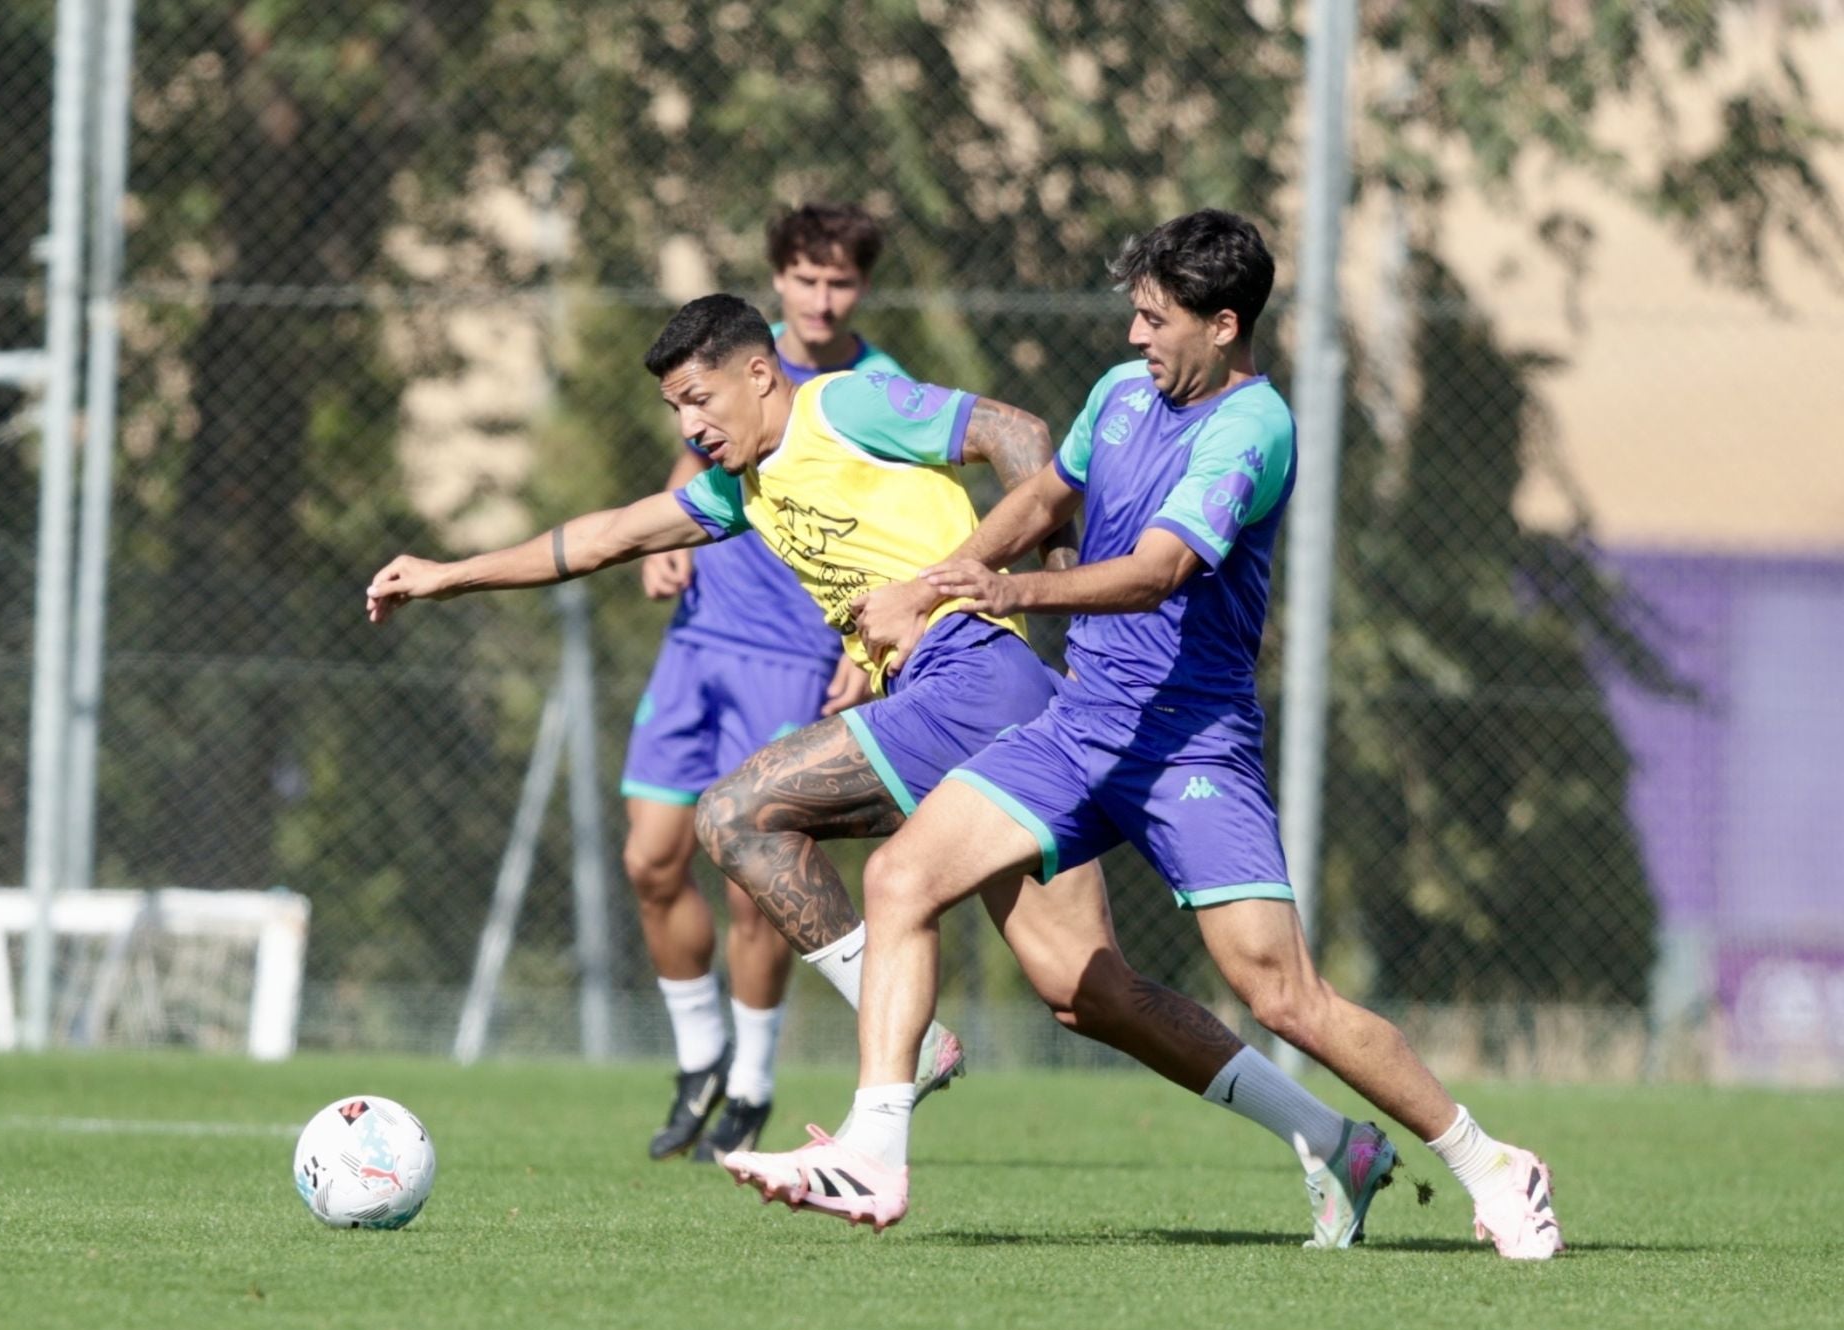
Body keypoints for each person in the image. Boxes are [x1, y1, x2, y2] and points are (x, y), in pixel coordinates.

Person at [367, 293, 1403, 1249]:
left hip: (975, 675)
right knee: (1091, 994)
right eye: (674, 408)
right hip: (972, 705)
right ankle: (1333, 1141)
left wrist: (1030, 571)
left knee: (736, 814)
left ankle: (904, 1063)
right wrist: (449, 573)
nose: (689, 427)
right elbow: (604, 536)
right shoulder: (743, 489)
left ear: (760, 375)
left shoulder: (846, 406)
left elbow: (1016, 434)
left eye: (699, 398)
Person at [727, 210, 1565, 1261]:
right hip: (1078, 726)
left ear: (1223, 325)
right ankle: (875, 1151)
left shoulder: (1252, 431)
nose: (1134, 337)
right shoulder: (1123, 394)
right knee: (906, 880)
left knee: (1282, 994)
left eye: (1154, 319)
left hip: (1189, 748)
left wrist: (1003, 587)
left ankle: (1492, 1161)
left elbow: (1159, 571)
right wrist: (942, 586)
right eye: (1134, 313)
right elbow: (1043, 492)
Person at [620, 204, 920, 1162]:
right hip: (700, 638)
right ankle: (698, 1055)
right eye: (806, 279)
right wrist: (659, 554)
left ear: (860, 290)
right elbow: (693, 463)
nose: (822, 299)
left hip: (795, 652)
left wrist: (866, 642)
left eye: (840, 283)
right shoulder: (730, 362)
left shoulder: (874, 390)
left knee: (757, 881)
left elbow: (903, 520)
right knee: (652, 859)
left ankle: (749, 1080)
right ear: (780, 281)